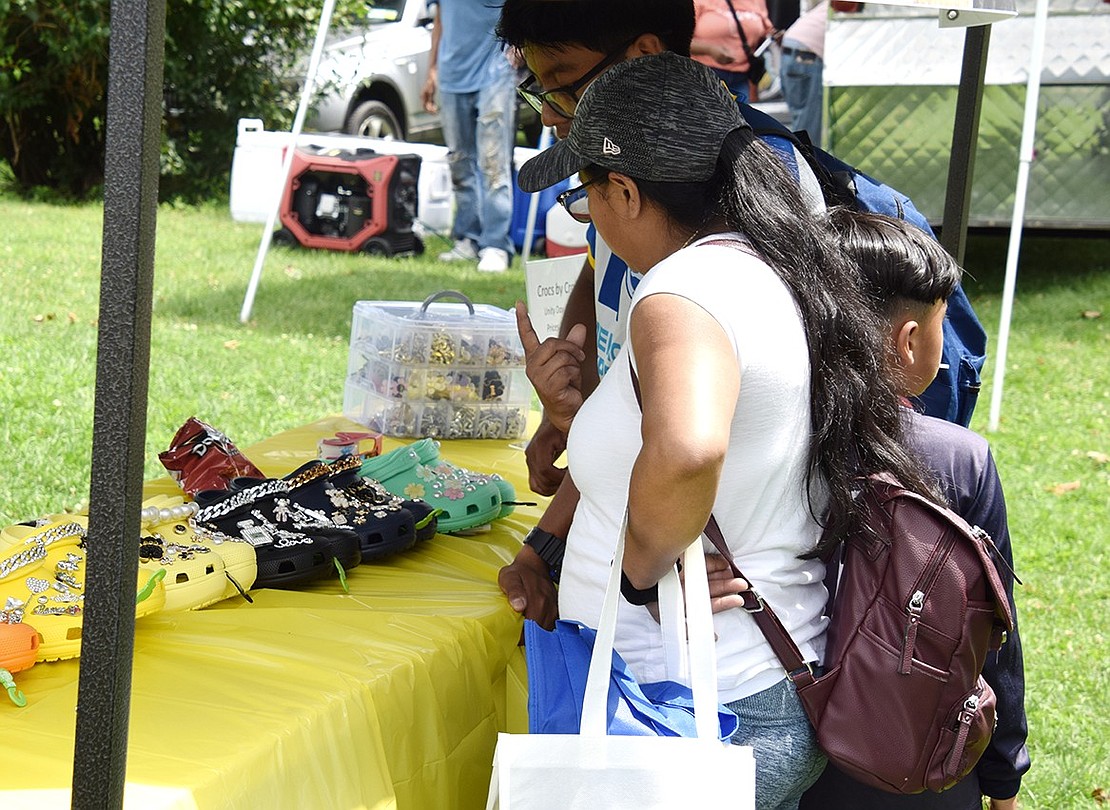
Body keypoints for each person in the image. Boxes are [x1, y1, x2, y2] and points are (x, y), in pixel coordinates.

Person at [516, 52, 943, 810]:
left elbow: (688, 449)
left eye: (586, 199)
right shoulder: (776, 267)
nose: (594, 220)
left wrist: (638, 574)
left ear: (624, 189)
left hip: (695, 713)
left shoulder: (683, 291)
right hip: (751, 691)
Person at [798, 210, 1030, 810]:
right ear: (907, 341)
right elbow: (991, 641)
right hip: (907, 756)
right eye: (942, 324)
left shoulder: (760, 440)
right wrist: (1003, 778)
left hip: (771, 739)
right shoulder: (960, 460)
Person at [421, 0, 516, 273]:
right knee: (460, 162)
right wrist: (432, 71)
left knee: (492, 162)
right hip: (452, 75)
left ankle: (496, 245)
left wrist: (521, 48)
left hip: (495, 72)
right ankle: (468, 239)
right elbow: (439, 20)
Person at [691, 0, 775, 102]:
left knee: (741, 116)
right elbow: (678, 41)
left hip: (742, 78)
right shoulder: (699, 2)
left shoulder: (757, 2)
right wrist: (709, 50)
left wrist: (776, 36)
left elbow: (766, 30)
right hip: (705, 76)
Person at [780, 1, 827, 143]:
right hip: (807, 54)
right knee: (808, 128)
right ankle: (803, 164)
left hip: (794, 47)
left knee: (802, 121)